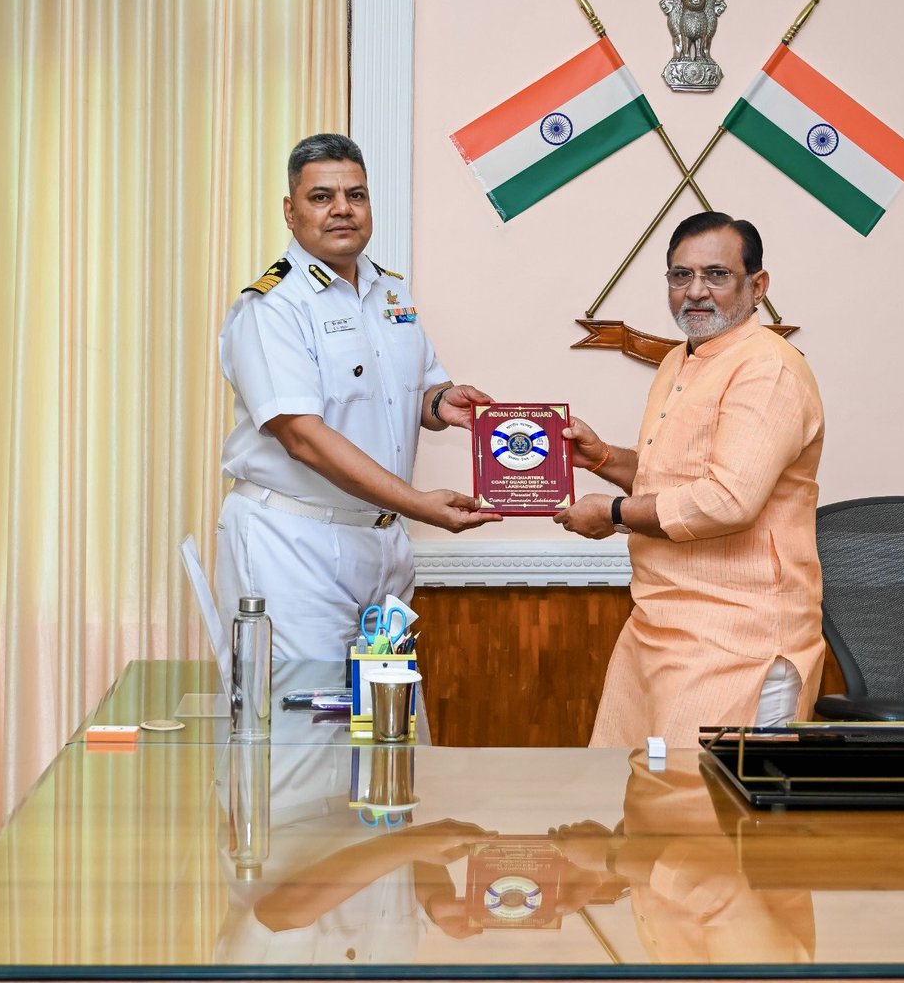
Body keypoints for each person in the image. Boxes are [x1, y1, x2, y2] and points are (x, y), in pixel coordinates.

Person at [215, 133, 499, 661]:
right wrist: (418, 504)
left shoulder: (389, 291)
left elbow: (409, 390)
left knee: (379, 721)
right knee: (301, 723)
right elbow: (303, 437)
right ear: (290, 211)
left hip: (383, 543)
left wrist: (440, 402)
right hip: (295, 543)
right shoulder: (273, 306)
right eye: (321, 197)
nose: (342, 209)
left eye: (356, 195)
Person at [553, 211, 825, 747]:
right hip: (659, 623)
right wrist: (602, 456)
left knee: (706, 823)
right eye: (680, 275)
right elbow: (671, 480)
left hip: (736, 641)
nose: (695, 292)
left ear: (757, 286)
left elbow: (726, 501)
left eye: (716, 275)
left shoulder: (767, 368)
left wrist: (610, 515)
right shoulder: (681, 360)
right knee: (638, 812)